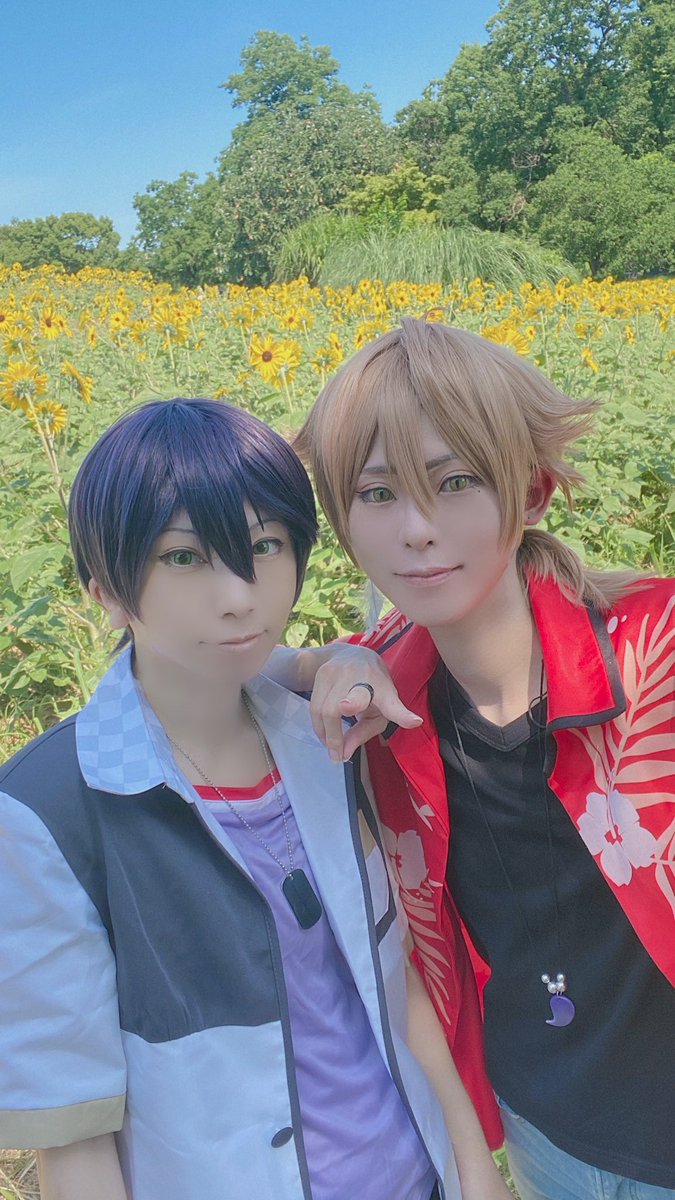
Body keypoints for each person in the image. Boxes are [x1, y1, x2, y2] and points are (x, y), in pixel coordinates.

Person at [0, 398, 511, 1200]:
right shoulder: (50, 811)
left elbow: (395, 977)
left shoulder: (327, 737)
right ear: (105, 590)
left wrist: (475, 1174)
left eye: (265, 546)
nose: (239, 594)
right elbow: (75, 1134)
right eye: (183, 557)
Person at [286, 319, 675, 1200]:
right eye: (377, 493)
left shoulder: (655, 652)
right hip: (546, 1134)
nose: (417, 529)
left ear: (530, 489)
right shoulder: (379, 710)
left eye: (454, 481)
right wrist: (322, 660)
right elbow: (207, 681)